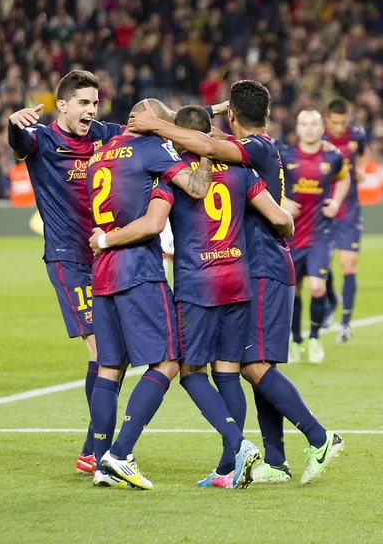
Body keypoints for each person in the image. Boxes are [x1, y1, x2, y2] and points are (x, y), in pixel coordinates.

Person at [128, 81, 345, 485]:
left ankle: (319, 437)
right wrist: (200, 113)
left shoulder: (256, 149)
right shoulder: (250, 152)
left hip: (260, 265)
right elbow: (202, 132)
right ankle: (275, 461)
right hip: (254, 267)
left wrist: (157, 126)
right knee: (250, 362)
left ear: (232, 117)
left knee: (252, 364)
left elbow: (208, 144)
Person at [86, 100, 214, 489]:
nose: (172, 132)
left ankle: (98, 461)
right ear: (152, 122)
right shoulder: (150, 147)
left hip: (102, 273)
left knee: (110, 368)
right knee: (168, 362)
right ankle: (119, 456)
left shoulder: (100, 155)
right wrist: (206, 148)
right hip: (137, 270)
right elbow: (196, 187)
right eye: (168, 125)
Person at [8, 70, 126, 475]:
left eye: (95, 103)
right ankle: (97, 451)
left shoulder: (103, 135)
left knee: (116, 355)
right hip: (68, 259)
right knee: (104, 352)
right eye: (83, 103)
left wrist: (208, 114)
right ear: (62, 105)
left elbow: (143, 125)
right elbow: (19, 143)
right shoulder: (42, 139)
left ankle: (93, 449)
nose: (91, 111)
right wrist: (12, 124)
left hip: (103, 256)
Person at [281, 109, 350, 363]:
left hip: (320, 234)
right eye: (304, 124)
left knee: (318, 287)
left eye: (314, 124)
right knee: (294, 291)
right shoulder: (285, 155)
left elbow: (344, 178)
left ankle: (314, 337)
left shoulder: (332, 157)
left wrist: (336, 202)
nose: (309, 128)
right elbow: (267, 182)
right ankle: (295, 340)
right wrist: (282, 200)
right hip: (291, 235)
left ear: (322, 128)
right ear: (297, 129)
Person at [323, 98, 368, 343]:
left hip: (349, 210)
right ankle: (332, 299)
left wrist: (360, 168)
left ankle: (346, 325)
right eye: (335, 122)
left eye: (343, 122)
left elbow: (363, 153)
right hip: (324, 210)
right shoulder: (318, 139)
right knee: (321, 266)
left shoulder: (357, 135)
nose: (340, 127)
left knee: (348, 264)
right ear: (327, 119)